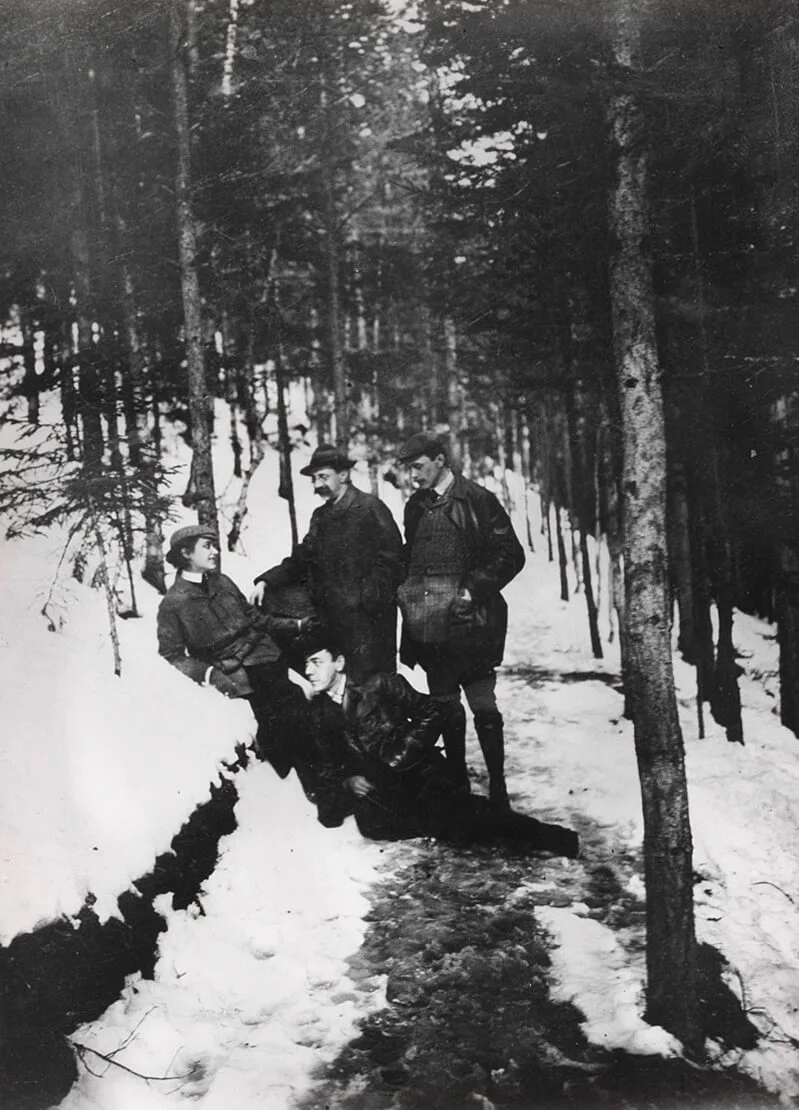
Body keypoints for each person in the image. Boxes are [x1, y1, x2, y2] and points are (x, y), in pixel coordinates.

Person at [299, 630, 578, 857]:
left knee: (469, 818)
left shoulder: (378, 684)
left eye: (317, 661)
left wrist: (401, 754)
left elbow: (433, 710)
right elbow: (326, 764)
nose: (310, 671)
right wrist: (348, 779)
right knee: (386, 828)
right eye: (306, 664)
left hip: (420, 775)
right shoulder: (318, 713)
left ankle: (556, 838)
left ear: (339, 662)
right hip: (382, 793)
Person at [396, 433, 526, 809]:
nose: (413, 476)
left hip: (473, 623)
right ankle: (459, 789)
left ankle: (498, 789)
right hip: (430, 626)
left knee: (484, 707)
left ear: (440, 460)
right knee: (446, 710)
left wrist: (471, 591)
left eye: (418, 467)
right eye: (409, 469)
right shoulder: (415, 507)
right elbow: (412, 559)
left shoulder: (478, 500)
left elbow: (510, 555)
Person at [157, 523, 309, 776]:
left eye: (214, 545)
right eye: (207, 546)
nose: (215, 551)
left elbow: (255, 619)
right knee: (278, 717)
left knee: (298, 703)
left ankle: (318, 777)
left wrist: (295, 625)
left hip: (264, 654)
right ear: (185, 553)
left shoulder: (222, 582)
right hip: (233, 671)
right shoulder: (173, 604)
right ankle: (296, 781)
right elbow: (171, 655)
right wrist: (209, 674)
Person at [251, 444, 403, 683]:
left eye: (323, 477)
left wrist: (366, 598)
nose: (317, 485)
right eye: (314, 479)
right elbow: (302, 558)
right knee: (343, 683)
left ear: (343, 475)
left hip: (370, 620)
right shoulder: (320, 517)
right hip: (333, 618)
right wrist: (266, 580)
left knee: (376, 685)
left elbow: (393, 560)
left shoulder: (370, 508)